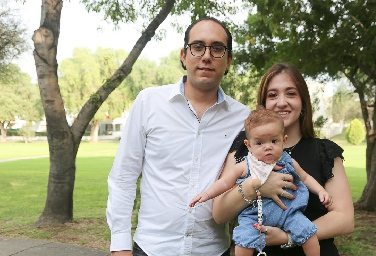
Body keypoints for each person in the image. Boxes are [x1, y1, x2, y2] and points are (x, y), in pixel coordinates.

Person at [106, 17, 250, 256]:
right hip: (152, 249)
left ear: (229, 60)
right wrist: (120, 245)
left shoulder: (242, 118)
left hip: (214, 250)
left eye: (217, 48)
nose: (206, 56)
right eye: (197, 46)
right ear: (184, 55)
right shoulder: (149, 102)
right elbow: (124, 176)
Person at [212, 62, 354, 255]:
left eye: (291, 93)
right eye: (272, 95)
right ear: (263, 104)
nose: (281, 102)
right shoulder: (244, 147)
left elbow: (345, 219)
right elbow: (219, 214)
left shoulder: (324, 152)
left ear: (303, 101)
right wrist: (256, 186)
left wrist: (288, 236)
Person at [190, 108, 332, 256]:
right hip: (253, 217)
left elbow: (306, 178)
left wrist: (321, 190)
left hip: (288, 213)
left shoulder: (289, 161)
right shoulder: (245, 166)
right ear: (248, 145)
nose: (268, 147)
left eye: (274, 141)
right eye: (260, 143)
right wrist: (207, 194)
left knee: (309, 234)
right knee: (243, 241)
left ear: (284, 140)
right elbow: (225, 183)